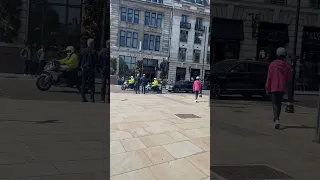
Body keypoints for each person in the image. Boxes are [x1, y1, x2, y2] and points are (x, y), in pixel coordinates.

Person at [265, 47, 292, 129]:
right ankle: (277, 118)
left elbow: (269, 77)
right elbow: (289, 79)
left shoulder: (272, 65)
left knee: (274, 103)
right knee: (279, 103)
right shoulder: (287, 66)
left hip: (274, 86)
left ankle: (276, 119)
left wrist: (267, 88)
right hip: (282, 87)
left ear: (277, 55)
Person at [78, 38, 98, 103]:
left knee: (83, 83)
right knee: (92, 84)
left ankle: (83, 97)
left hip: (84, 69)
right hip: (91, 69)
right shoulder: (94, 52)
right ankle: (92, 98)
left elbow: (79, 60)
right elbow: (96, 62)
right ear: (92, 44)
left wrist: (79, 68)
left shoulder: (82, 51)